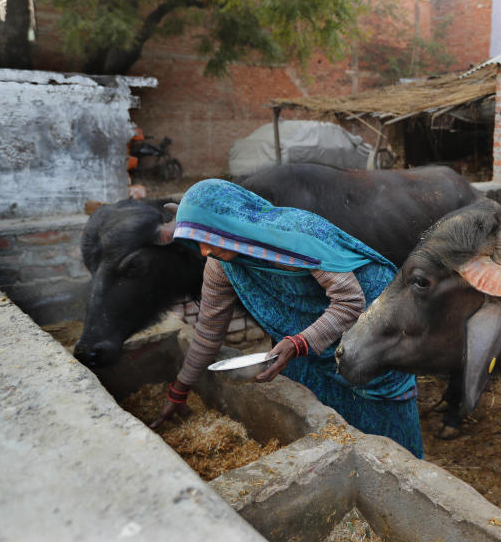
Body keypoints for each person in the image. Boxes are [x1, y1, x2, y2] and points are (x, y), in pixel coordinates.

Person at [150, 178, 423, 458]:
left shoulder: (298, 235)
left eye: (209, 240)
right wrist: (179, 389)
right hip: (313, 337)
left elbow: (350, 301)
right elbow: (208, 332)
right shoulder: (221, 264)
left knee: (381, 419)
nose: (205, 251)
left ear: (230, 223)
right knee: (316, 403)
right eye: (198, 244)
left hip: (370, 324)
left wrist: (298, 343)